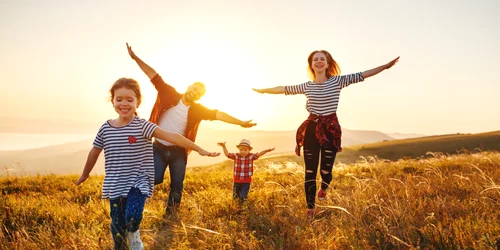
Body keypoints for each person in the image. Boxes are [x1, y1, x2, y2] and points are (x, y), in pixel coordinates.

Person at [75, 78, 219, 250]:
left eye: (130, 100)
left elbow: (173, 136)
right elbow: (94, 152)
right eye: (119, 99)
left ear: (138, 102)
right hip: (115, 185)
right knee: (117, 225)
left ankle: (134, 234)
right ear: (112, 100)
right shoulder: (106, 128)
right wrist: (85, 173)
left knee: (133, 216)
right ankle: (120, 246)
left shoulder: (143, 126)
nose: (124, 104)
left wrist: (198, 148)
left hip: (138, 183)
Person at [252, 51, 399, 217]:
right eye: (316, 59)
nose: (319, 62)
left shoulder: (338, 81)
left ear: (328, 64)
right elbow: (283, 89)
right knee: (309, 171)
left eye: (323, 59)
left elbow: (363, 74)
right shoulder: (307, 86)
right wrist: (264, 91)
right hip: (311, 130)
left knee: (325, 171)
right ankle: (310, 208)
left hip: (330, 130)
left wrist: (385, 67)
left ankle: (324, 187)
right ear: (311, 64)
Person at [126, 43, 257, 215]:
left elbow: (219, 114)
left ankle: (170, 216)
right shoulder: (169, 93)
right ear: (189, 87)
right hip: (158, 148)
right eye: (194, 89)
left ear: (199, 97)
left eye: (198, 93)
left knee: (177, 185)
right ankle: (130, 196)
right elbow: (153, 75)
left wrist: (240, 122)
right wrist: (135, 58)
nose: (194, 93)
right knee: (155, 178)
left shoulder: (197, 110)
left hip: (178, 152)